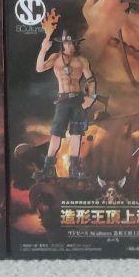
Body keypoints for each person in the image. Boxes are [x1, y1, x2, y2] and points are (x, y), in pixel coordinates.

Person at [35, 10, 96, 180]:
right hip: (62, 100)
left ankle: (74, 168)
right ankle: (47, 168)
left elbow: (91, 79)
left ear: (76, 44)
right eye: (68, 43)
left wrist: (91, 97)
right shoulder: (55, 57)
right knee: (56, 134)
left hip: (78, 100)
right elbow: (39, 68)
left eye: (73, 43)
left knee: (76, 134)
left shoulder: (82, 60)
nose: (71, 46)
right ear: (63, 43)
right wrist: (43, 49)